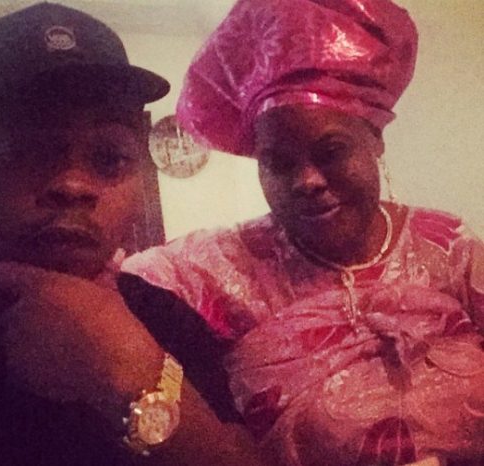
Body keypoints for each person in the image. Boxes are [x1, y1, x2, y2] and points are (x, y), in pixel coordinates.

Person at [121, 0, 484, 465]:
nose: (306, 180)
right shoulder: (219, 266)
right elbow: (107, 294)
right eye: (278, 163)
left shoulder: (449, 245)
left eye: (330, 151)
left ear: (374, 139)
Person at [0, 3, 271, 465]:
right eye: (27, 151)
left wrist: (132, 373)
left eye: (109, 158)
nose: (74, 185)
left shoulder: (165, 319)